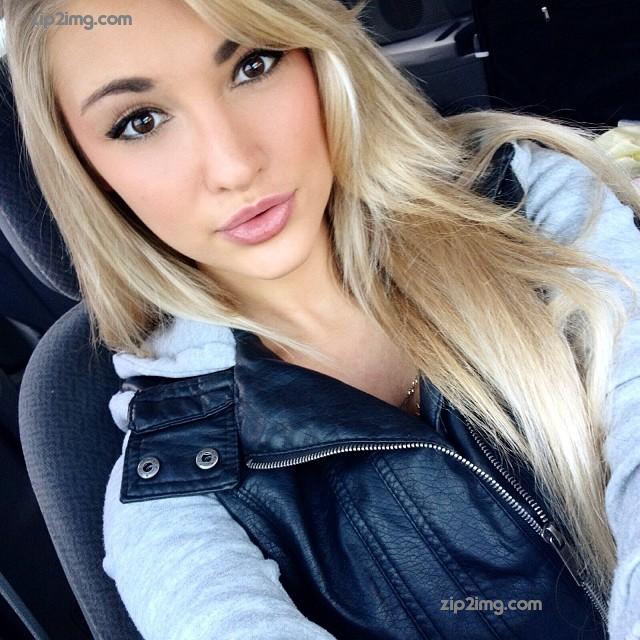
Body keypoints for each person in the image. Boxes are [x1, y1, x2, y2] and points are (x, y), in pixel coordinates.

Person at [3, 0, 640, 638]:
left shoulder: (528, 204)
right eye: (140, 122)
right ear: (87, 171)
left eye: (254, 65)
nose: (233, 165)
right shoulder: (172, 492)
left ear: (318, 54)